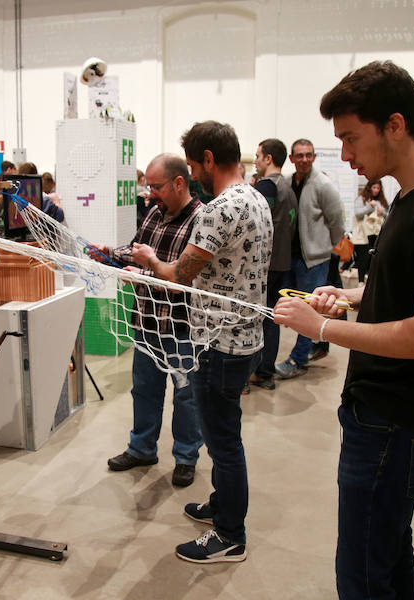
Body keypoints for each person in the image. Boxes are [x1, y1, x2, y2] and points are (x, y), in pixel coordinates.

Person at [273, 61, 414, 598]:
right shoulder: (413, 198)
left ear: (394, 124)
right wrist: (350, 296)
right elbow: (409, 289)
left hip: (400, 417)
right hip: (381, 411)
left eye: (350, 137)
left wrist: (320, 327)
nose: (344, 154)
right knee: (387, 552)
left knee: (364, 571)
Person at [131, 121, 273, 564]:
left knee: (224, 443)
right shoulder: (256, 198)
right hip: (247, 338)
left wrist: (150, 260)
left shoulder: (218, 209)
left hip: (219, 344)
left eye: (193, 166)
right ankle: (220, 506)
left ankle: (230, 535)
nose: (194, 175)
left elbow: (177, 280)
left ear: (208, 160)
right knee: (224, 436)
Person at [93, 154, 204, 487]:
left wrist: (141, 272)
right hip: (146, 321)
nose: (150, 194)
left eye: (156, 187)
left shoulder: (202, 220)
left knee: (186, 396)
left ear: (179, 183)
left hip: (182, 326)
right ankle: (142, 448)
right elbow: (138, 249)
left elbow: (185, 275)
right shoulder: (155, 213)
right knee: (144, 390)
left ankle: (186, 457)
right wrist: (109, 252)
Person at [273, 139, 344, 378]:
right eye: (299, 155)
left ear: (314, 157)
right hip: (289, 259)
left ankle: (297, 359)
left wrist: (322, 248)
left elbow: (337, 223)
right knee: (286, 309)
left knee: (309, 311)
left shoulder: (323, 185)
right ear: (291, 159)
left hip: (313, 261)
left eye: (308, 155)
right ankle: (309, 348)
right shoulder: (287, 183)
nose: (304, 159)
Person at [247, 137, 297, 390]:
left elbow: (256, 225)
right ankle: (265, 373)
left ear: (268, 158)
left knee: (254, 319)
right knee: (271, 319)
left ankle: (252, 373)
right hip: (282, 263)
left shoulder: (267, 186)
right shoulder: (288, 186)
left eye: (257, 156)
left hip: (265, 265)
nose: (254, 161)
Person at [349, 179, 386, 283]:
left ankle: (369, 282)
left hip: (375, 234)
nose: (376, 190)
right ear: (369, 187)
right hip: (362, 235)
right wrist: (370, 207)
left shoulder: (381, 201)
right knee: (363, 259)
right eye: (374, 187)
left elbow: (387, 216)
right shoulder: (361, 199)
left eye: (378, 188)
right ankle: (360, 282)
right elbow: (358, 214)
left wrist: (382, 212)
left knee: (372, 259)